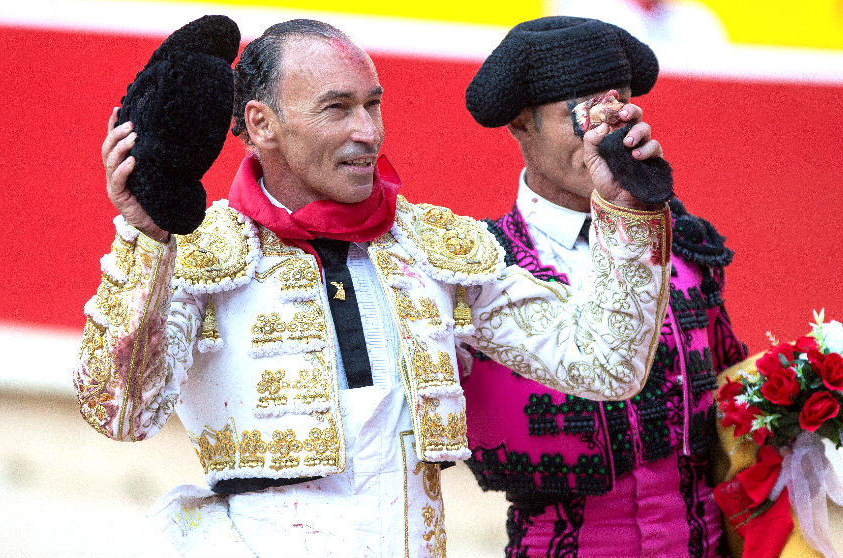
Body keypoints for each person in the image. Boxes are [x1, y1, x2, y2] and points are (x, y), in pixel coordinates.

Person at [75, 18, 673, 558]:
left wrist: (624, 214)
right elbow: (120, 413)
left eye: (373, 105)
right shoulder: (201, 252)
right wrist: (146, 240)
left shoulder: (431, 249)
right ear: (262, 124)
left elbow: (606, 363)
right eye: (338, 108)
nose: (367, 131)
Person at [460, 16, 749, 558]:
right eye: (583, 115)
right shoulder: (479, 268)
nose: (604, 136)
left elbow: (734, 398)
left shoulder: (686, 245)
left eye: (615, 112)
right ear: (523, 123)